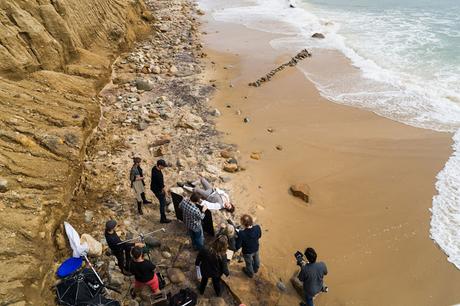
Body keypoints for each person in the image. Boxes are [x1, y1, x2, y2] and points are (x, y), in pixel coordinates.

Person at [150, 159, 171, 223]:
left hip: (153, 187)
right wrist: (166, 193)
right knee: (162, 204)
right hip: (158, 190)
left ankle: (163, 217)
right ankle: (163, 219)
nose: (164, 167)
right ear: (159, 166)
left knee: (162, 201)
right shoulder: (159, 175)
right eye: (163, 166)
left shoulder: (154, 168)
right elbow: (162, 187)